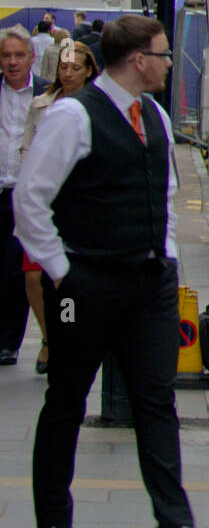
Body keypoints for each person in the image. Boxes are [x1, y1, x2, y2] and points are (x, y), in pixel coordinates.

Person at [13, 14, 209, 528]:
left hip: (148, 284)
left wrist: (168, 265)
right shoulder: (72, 117)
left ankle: (174, 526)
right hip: (86, 284)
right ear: (138, 60)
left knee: (155, 402)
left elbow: (163, 199)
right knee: (65, 401)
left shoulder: (154, 115)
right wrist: (64, 271)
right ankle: (54, 525)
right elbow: (30, 202)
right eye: (161, 55)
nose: (166, 64)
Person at [19, 41, 100, 375]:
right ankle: (49, 337)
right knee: (34, 276)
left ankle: (65, 336)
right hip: (42, 203)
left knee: (65, 280)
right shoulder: (41, 105)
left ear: (89, 71)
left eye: (75, 68)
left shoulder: (97, 108)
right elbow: (26, 148)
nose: (67, 74)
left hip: (77, 207)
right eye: (63, 68)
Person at [0, 26, 49, 365]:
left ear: (32, 58)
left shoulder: (48, 94)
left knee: (17, 270)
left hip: (26, 195)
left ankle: (8, 342)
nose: (12, 62)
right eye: (6, 56)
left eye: (19, 55)